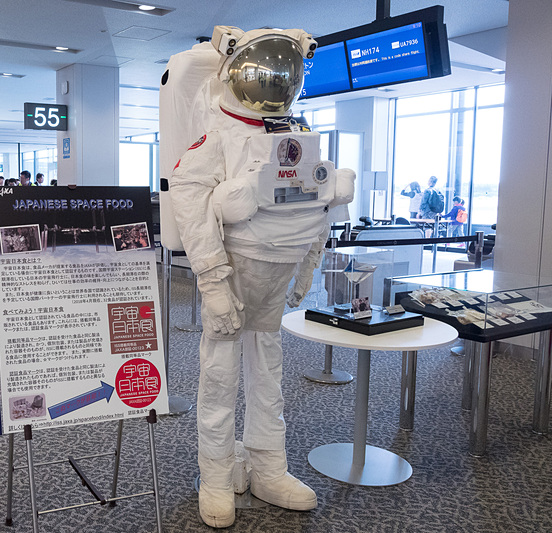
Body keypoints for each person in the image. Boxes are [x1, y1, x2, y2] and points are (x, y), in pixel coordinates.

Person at [166, 26, 354, 528]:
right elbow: (191, 203)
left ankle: (269, 467)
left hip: (278, 271)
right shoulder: (219, 136)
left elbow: (317, 200)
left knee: (268, 372)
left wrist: (308, 264)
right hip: (233, 272)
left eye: (285, 72)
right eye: (263, 71)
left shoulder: (296, 134)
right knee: (220, 373)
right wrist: (212, 283)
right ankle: (216, 474)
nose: (274, 82)